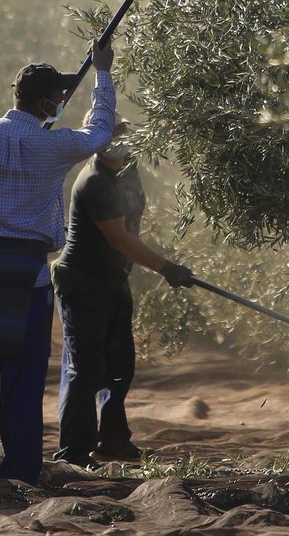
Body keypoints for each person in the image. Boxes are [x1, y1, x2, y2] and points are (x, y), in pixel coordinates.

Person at [0, 39, 117, 485]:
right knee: (22, 380)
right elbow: (100, 132)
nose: (62, 101)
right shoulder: (56, 146)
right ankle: (18, 475)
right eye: (60, 96)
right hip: (27, 275)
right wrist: (103, 72)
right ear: (48, 101)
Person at [52, 126, 192, 467]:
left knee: (119, 367)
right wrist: (165, 267)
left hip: (113, 280)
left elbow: (133, 226)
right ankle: (74, 451)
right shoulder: (95, 181)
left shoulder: (128, 170)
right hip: (82, 284)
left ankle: (113, 441)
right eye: (109, 137)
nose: (117, 144)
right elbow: (119, 238)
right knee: (86, 370)